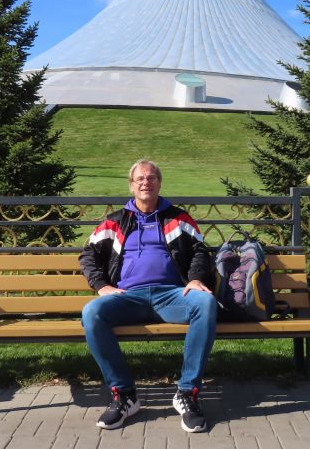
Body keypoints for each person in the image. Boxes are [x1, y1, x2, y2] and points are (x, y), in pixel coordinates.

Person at [80, 159, 217, 433]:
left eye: (152, 178)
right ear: (131, 185)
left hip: (172, 295)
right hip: (129, 297)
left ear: (159, 183)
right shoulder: (115, 222)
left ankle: (187, 393)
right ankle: (124, 395)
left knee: (205, 303)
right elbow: (88, 255)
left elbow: (200, 251)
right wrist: (101, 285)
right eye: (140, 179)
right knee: (92, 312)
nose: (146, 183)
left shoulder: (178, 218)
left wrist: (195, 278)